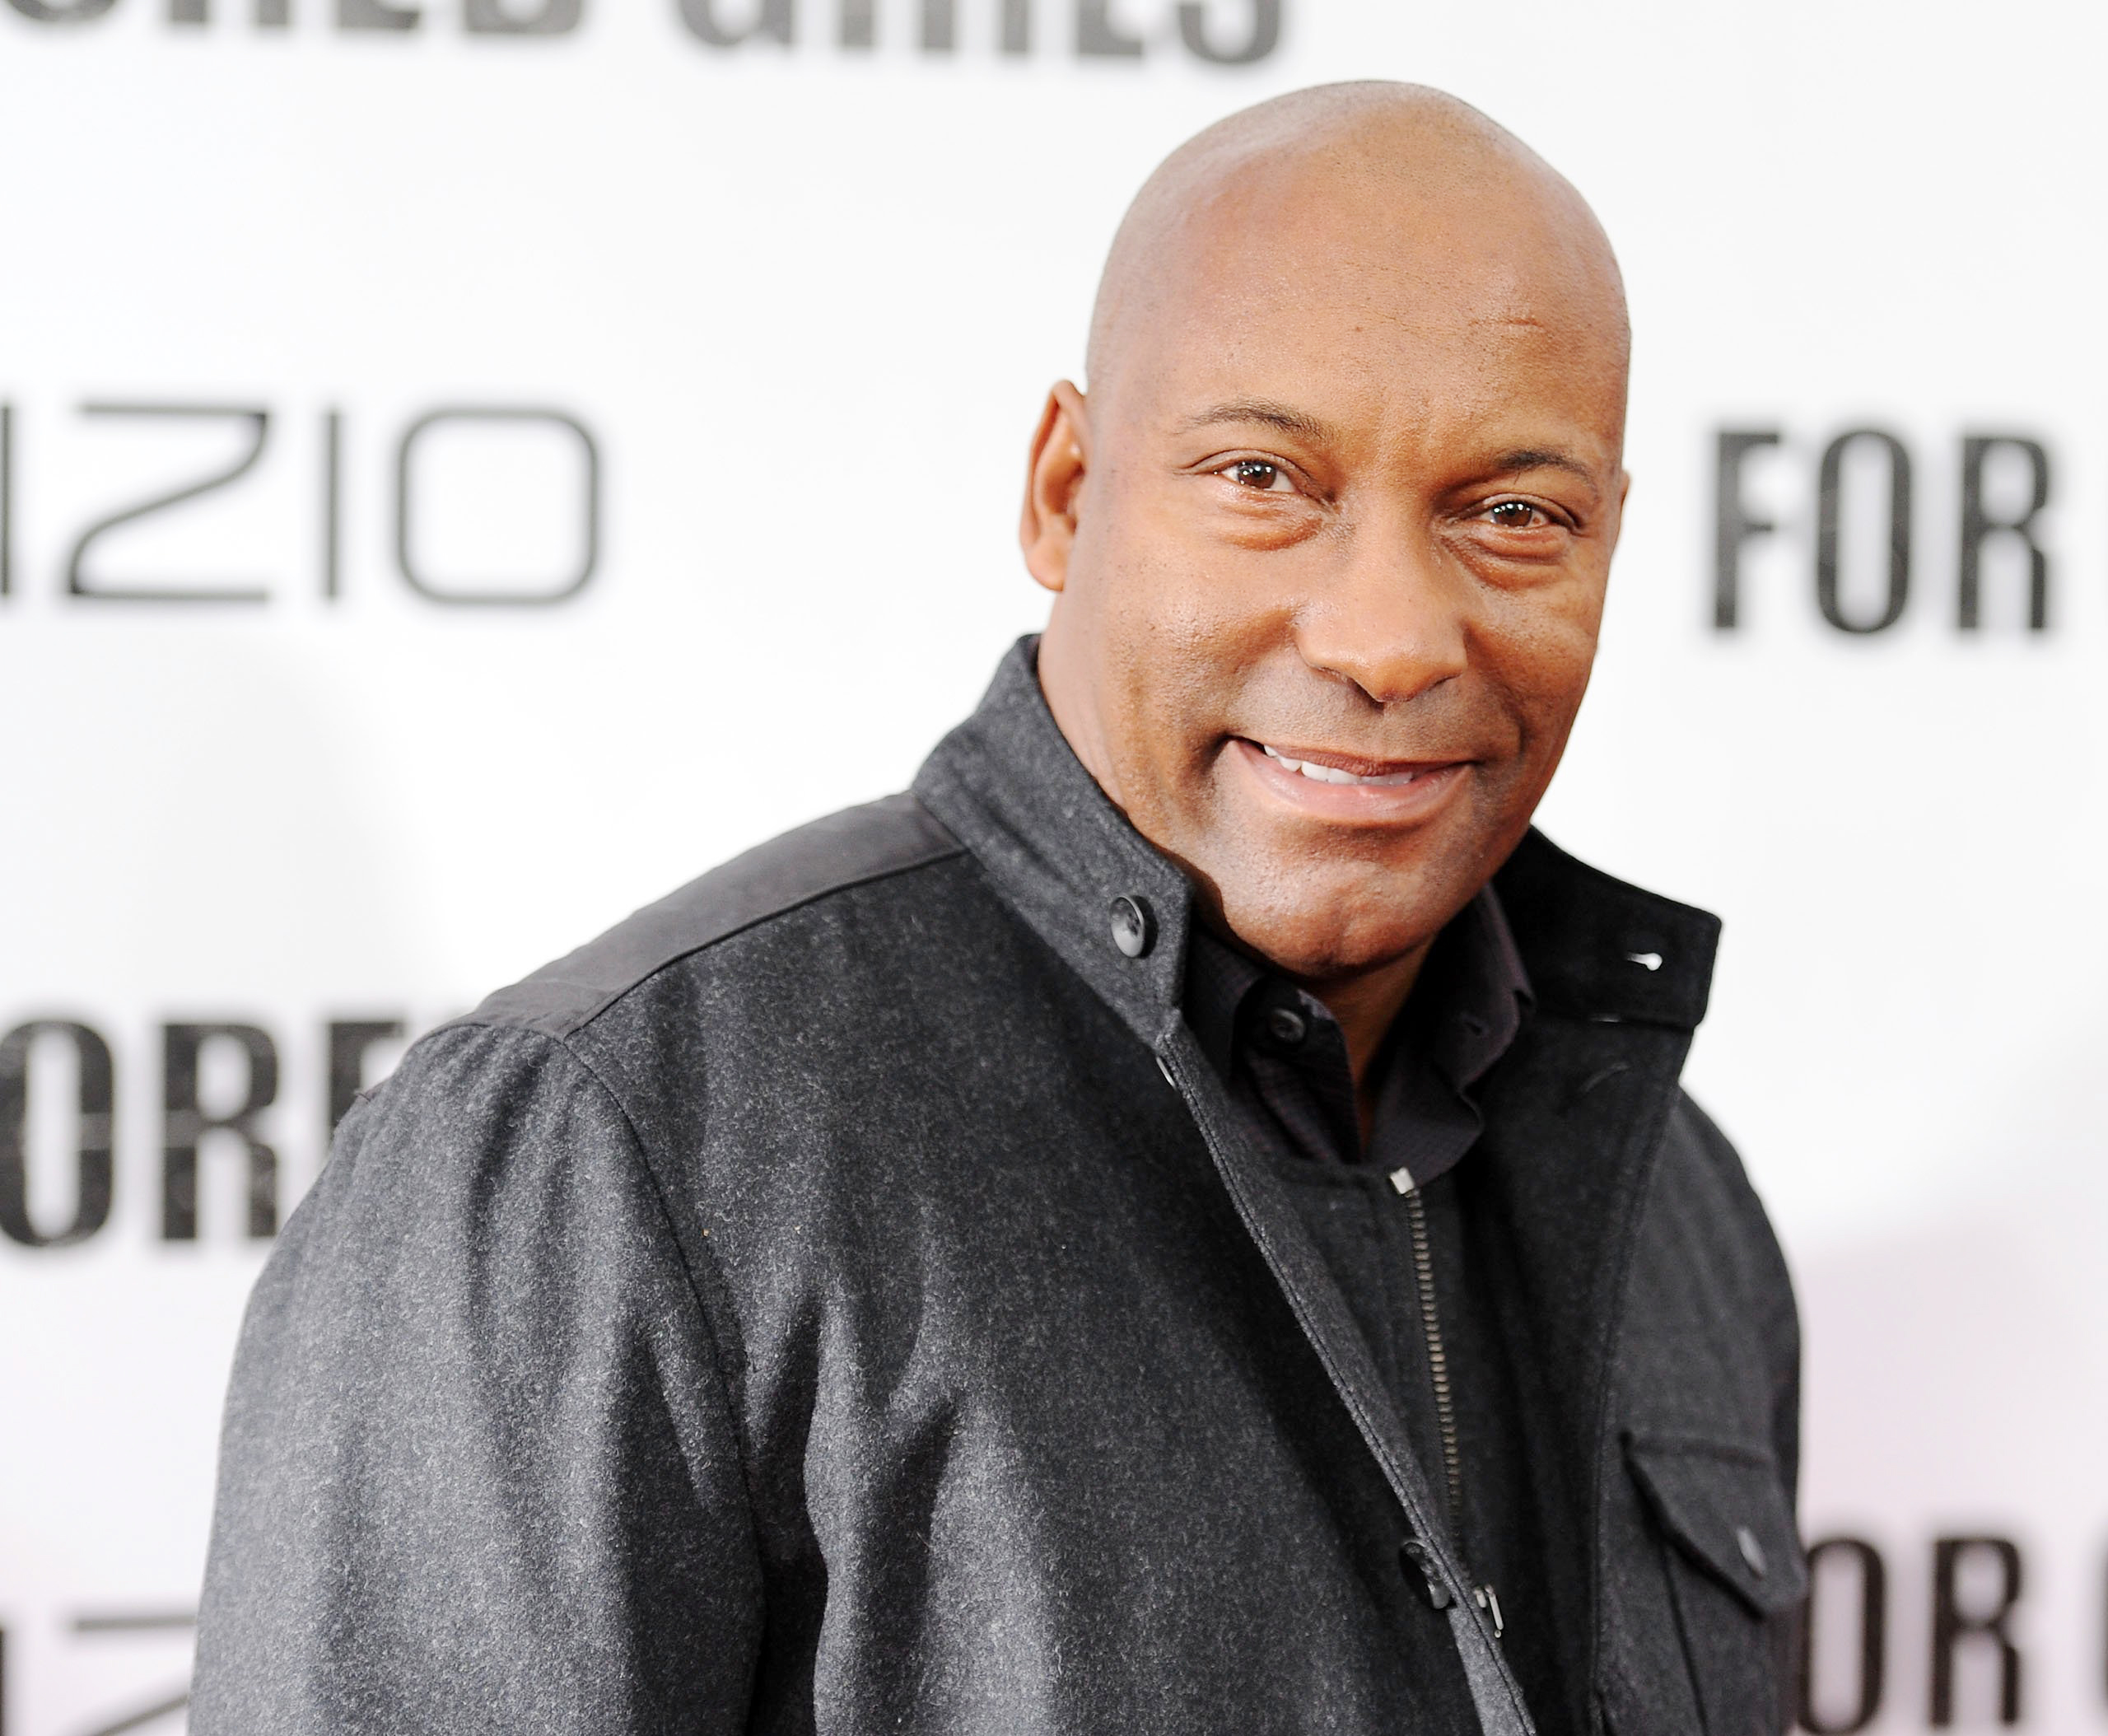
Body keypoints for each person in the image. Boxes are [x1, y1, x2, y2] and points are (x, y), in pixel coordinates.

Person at [192, 81, 1802, 1736]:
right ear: (1064, 489)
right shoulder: (615, 1150)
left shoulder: (1683, 1205)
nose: (1387, 637)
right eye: (1265, 476)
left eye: (1515, 514)